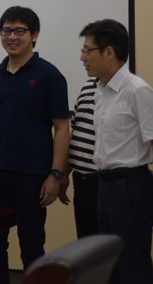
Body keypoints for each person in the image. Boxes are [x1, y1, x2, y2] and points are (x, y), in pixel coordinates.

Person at [0, 6, 69, 284]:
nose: (12, 37)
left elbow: (62, 128)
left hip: (32, 175)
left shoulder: (49, 75)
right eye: (6, 31)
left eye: (19, 31)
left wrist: (55, 175)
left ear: (34, 35)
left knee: (32, 247)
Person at [80, 19, 153, 284]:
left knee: (132, 264)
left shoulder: (137, 90)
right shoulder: (100, 90)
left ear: (109, 52)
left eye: (87, 51)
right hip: (104, 185)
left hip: (131, 185)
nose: (82, 58)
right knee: (110, 266)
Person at [57, 77, 100, 239]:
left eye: (88, 52)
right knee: (87, 243)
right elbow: (76, 133)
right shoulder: (87, 86)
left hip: (106, 182)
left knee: (109, 246)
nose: (84, 63)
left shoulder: (129, 90)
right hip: (82, 181)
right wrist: (63, 174)